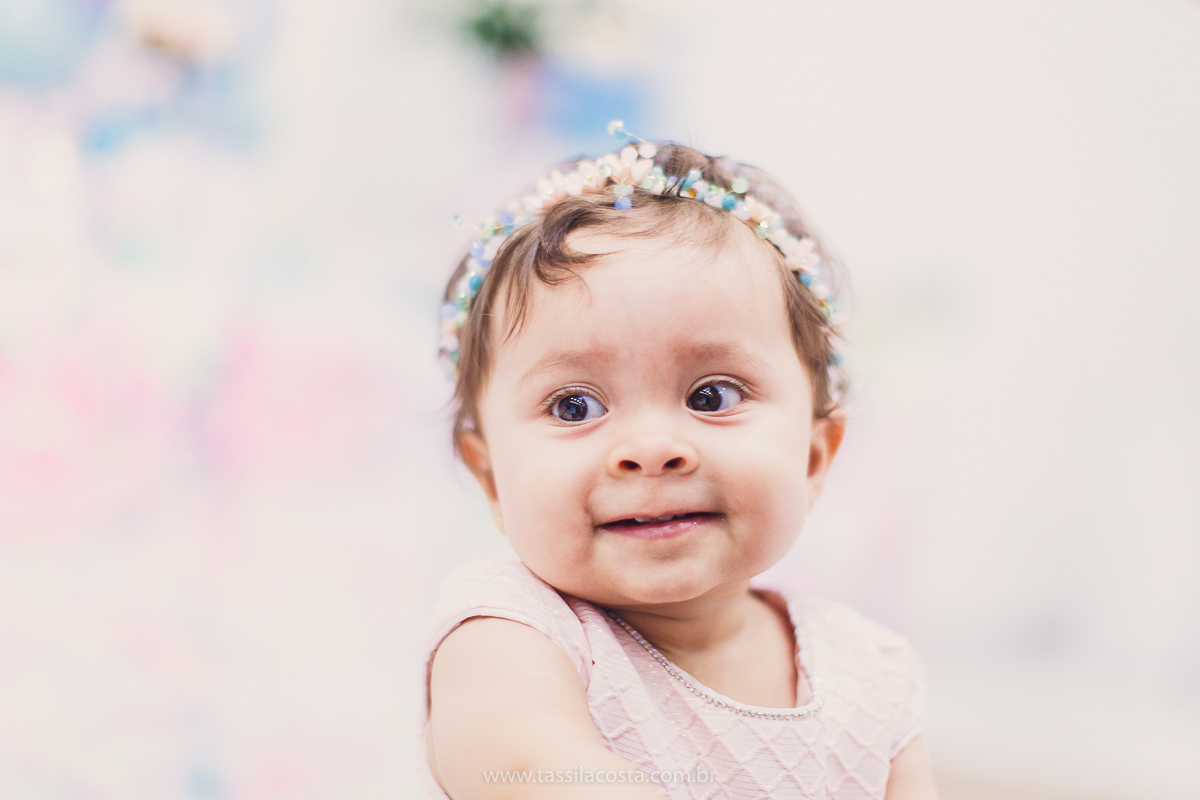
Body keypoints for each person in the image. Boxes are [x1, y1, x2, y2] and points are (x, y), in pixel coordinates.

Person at [421, 129, 940, 799]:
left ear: (814, 458)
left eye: (710, 396)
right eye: (575, 407)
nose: (651, 448)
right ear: (490, 477)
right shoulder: (511, 631)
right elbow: (524, 771)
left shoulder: (872, 673)